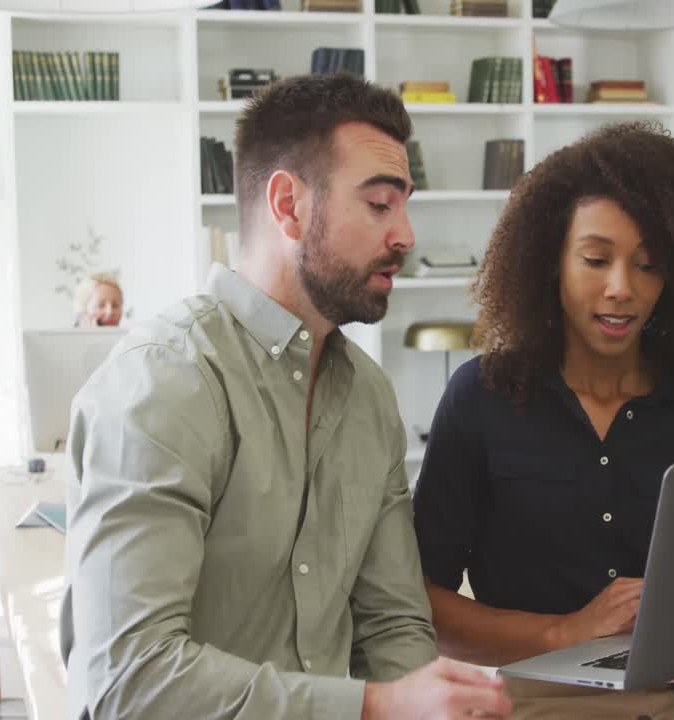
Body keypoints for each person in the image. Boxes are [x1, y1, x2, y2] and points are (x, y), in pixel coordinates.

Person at [60, 74, 511, 720]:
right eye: (380, 205)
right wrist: (375, 706)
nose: (406, 235)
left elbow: (393, 628)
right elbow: (130, 681)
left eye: (405, 204)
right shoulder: (163, 382)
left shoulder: (369, 400)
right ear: (289, 206)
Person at [412, 122, 674, 720]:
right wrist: (567, 631)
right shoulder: (482, 398)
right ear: (551, 262)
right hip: (533, 704)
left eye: (648, 266)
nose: (621, 288)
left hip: (673, 703)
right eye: (596, 259)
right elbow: (425, 609)